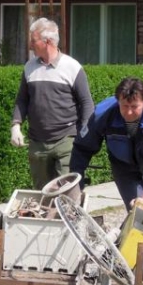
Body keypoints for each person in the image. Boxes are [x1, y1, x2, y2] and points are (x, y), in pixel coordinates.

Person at [11, 17, 94, 189]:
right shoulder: (29, 67)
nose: (30, 45)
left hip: (67, 139)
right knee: (42, 193)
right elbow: (22, 99)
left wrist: (84, 133)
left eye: (33, 41)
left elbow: (86, 103)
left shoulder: (72, 67)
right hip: (37, 142)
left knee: (68, 191)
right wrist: (16, 126)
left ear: (47, 41)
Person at [70, 77, 143, 210]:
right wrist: (76, 185)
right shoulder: (102, 114)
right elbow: (82, 148)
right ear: (118, 101)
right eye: (125, 106)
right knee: (136, 212)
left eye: (135, 107)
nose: (129, 112)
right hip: (123, 167)